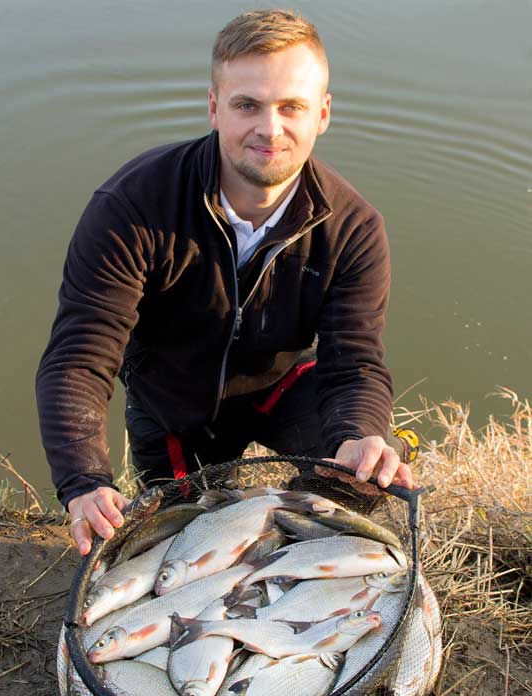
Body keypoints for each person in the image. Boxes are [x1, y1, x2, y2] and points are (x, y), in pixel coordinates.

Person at [36, 8, 414, 557]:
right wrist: (83, 479)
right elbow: (79, 357)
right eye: (247, 105)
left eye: (292, 107)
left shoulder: (354, 228)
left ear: (323, 114)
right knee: (182, 541)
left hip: (284, 389)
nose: (270, 128)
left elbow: (354, 361)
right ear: (214, 107)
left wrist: (359, 431)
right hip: (171, 406)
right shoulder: (132, 207)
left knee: (354, 487)